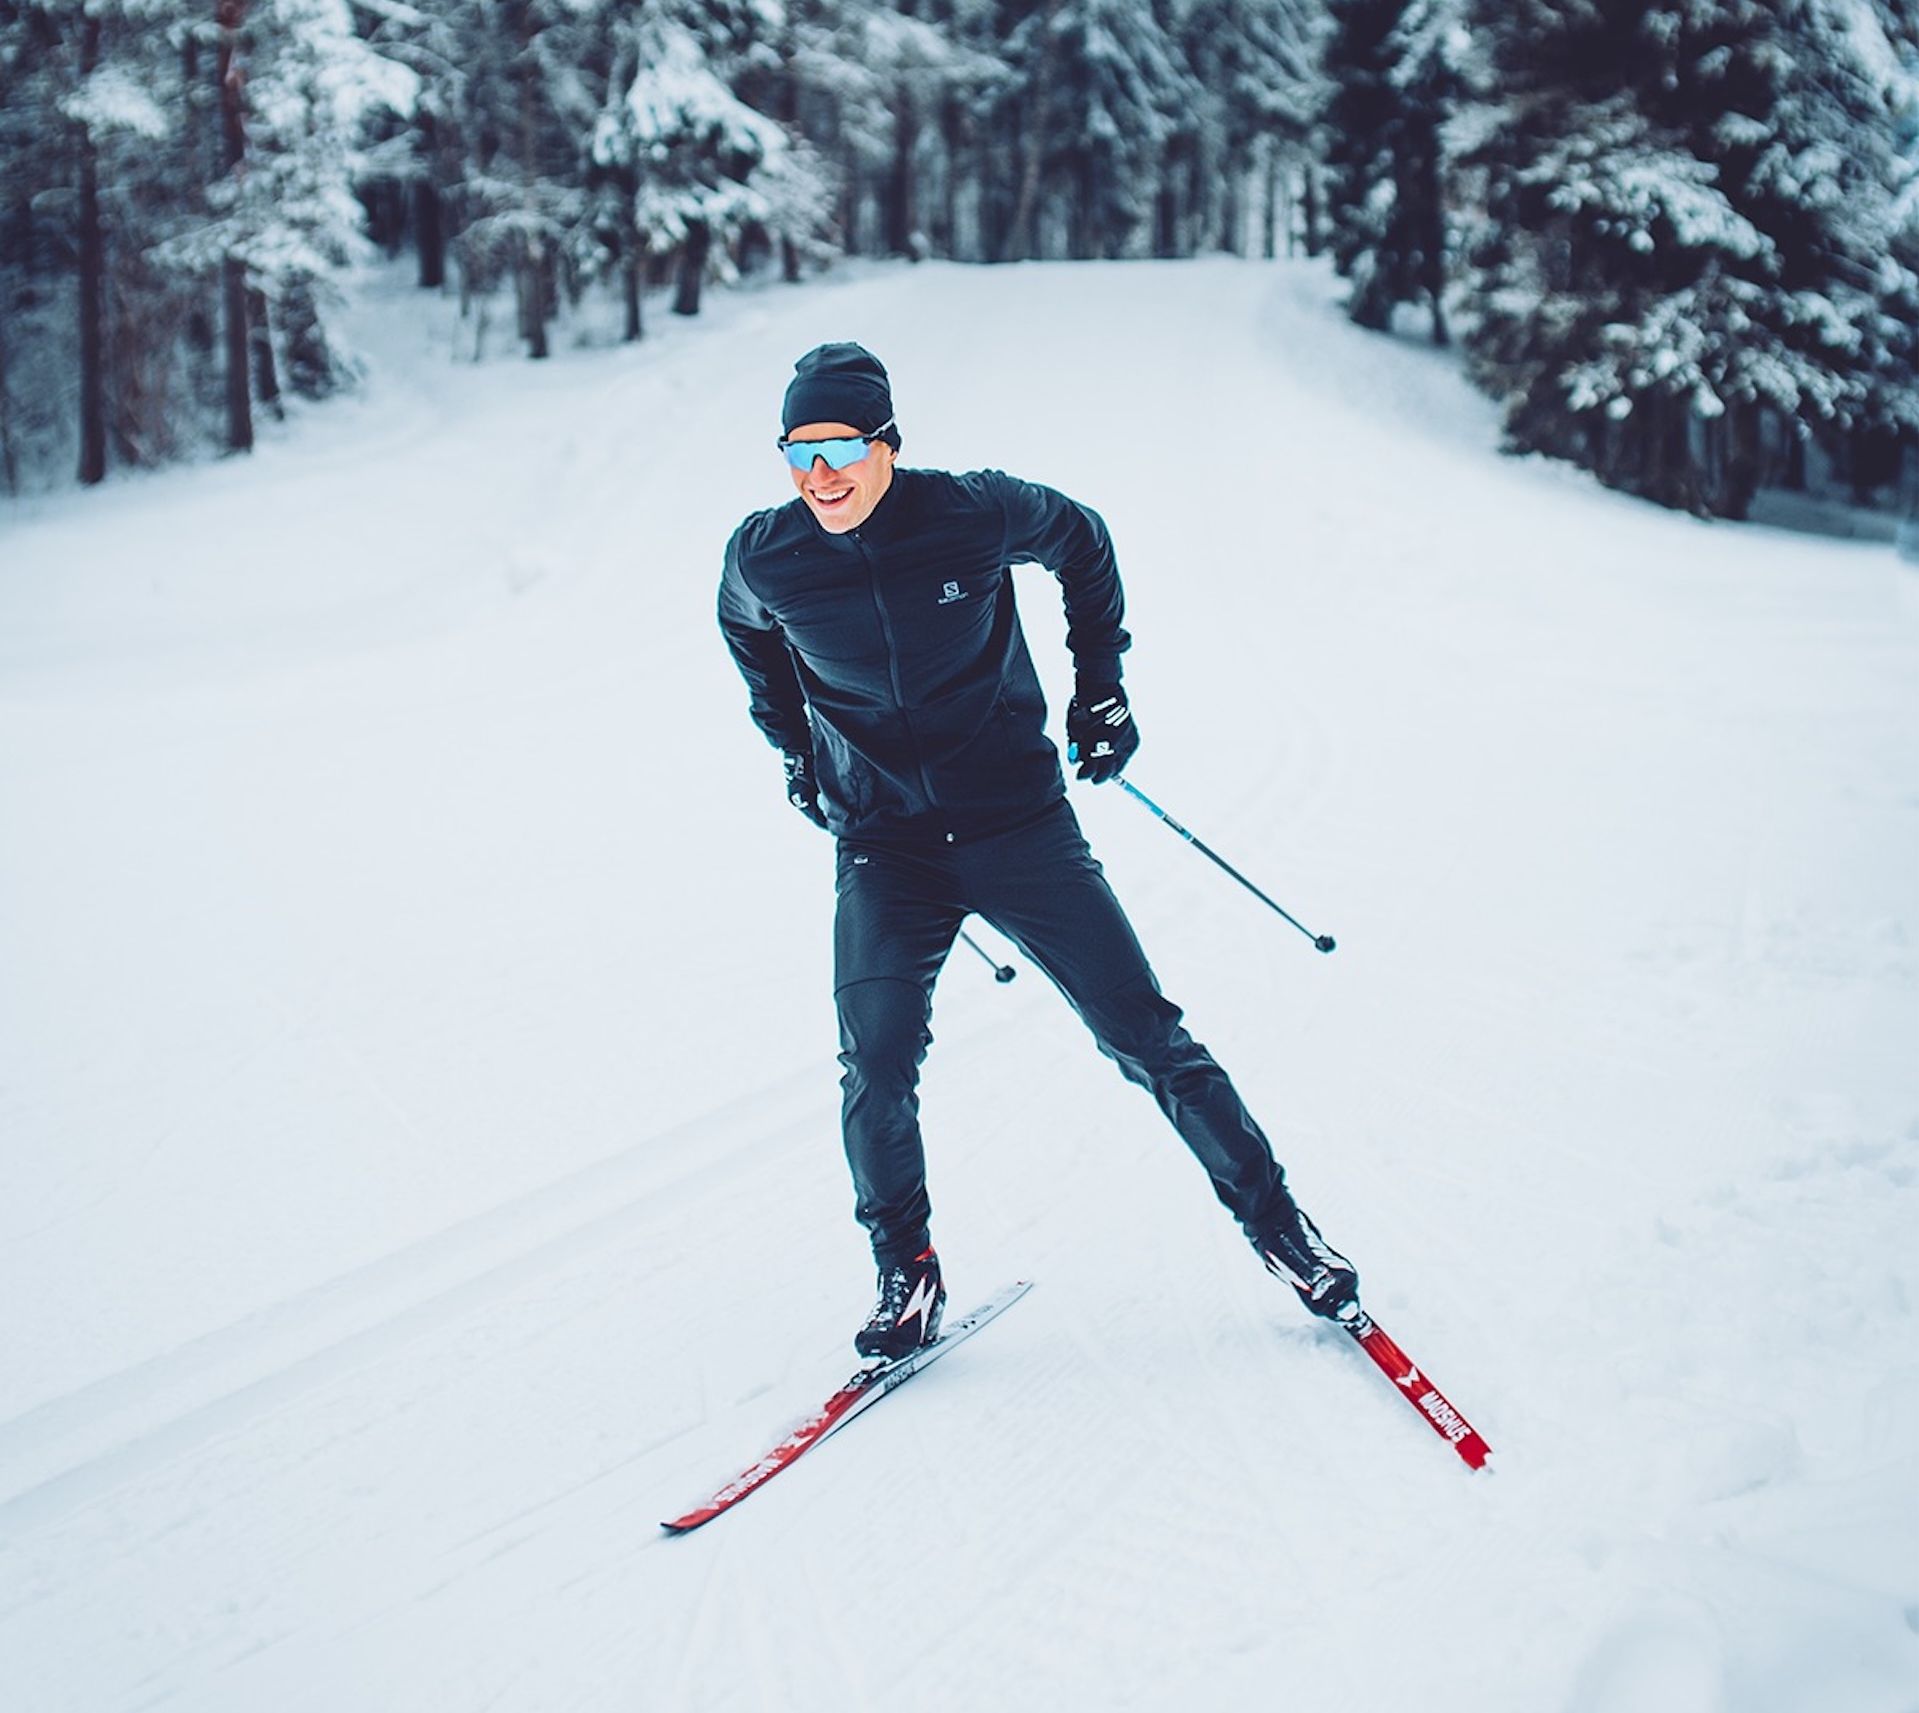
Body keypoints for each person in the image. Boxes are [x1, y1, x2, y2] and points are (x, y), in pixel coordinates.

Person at [719, 342, 1360, 1360]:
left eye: (838, 447)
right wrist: (797, 753)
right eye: (796, 454)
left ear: (885, 443)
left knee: (1148, 1040)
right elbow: (747, 639)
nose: (819, 476)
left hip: (1016, 824)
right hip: (886, 848)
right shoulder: (765, 554)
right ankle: (907, 1276)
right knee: (874, 1063)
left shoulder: (970, 512)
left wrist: (1098, 686)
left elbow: (1081, 541)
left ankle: (1285, 1235)